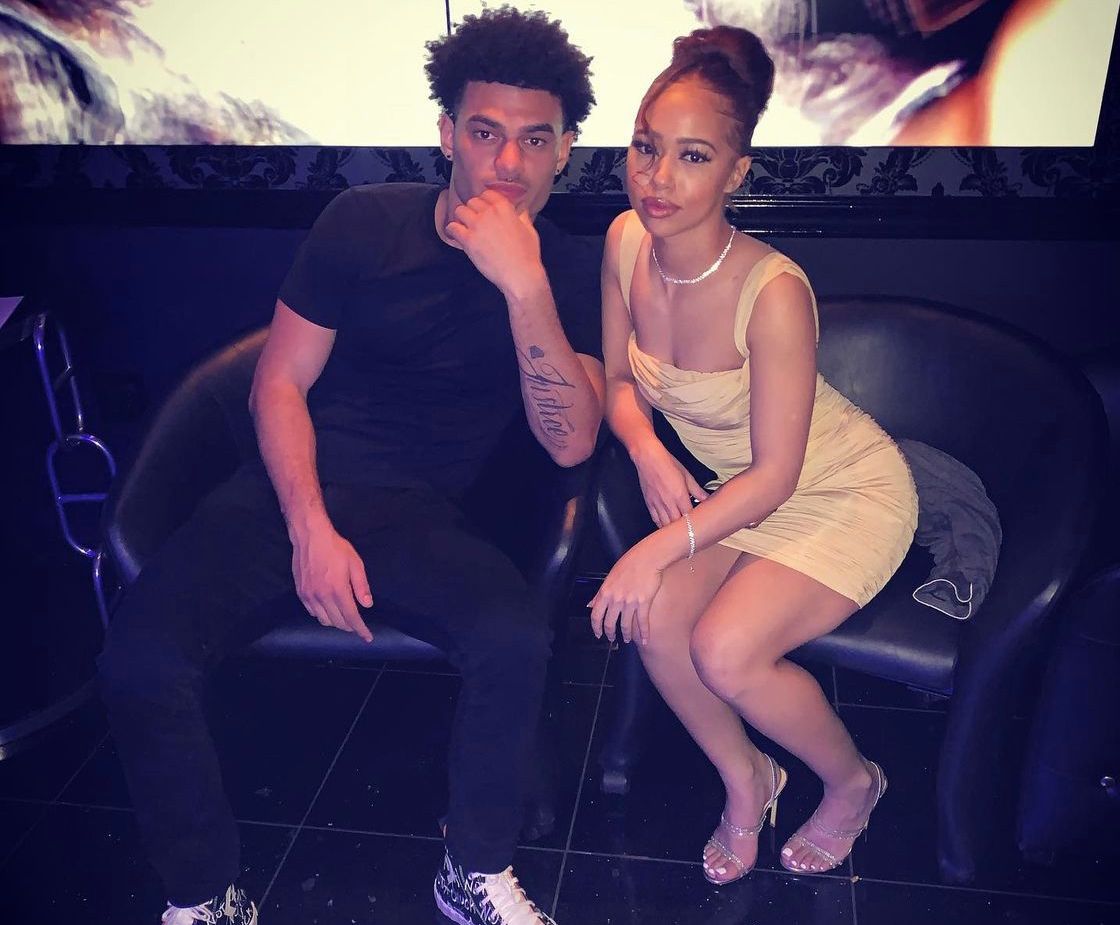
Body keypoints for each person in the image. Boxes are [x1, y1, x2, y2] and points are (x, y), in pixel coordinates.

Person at [97, 7, 604, 925]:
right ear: (446, 133)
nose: (508, 162)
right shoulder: (362, 221)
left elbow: (570, 441)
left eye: (536, 139)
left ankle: (473, 870)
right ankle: (206, 894)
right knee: (138, 657)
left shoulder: (567, 268)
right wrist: (310, 529)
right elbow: (277, 384)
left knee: (513, 636)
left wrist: (522, 282)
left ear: (565, 150)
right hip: (283, 493)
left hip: (417, 511)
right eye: (484, 132)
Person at [588, 25, 917, 884]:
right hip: (743, 488)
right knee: (659, 620)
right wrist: (647, 450)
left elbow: (780, 473)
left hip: (842, 488)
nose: (657, 178)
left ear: (736, 172)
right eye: (646, 147)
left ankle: (854, 782)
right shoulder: (624, 241)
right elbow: (617, 380)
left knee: (725, 650)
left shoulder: (773, 290)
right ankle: (749, 780)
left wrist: (653, 547)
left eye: (692, 156)